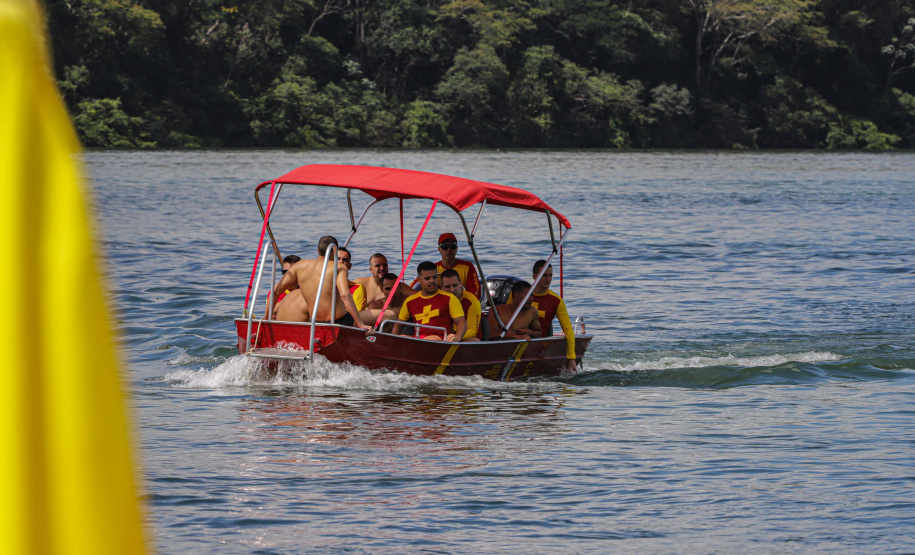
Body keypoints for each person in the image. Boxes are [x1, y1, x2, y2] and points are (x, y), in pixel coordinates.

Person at [271, 235, 372, 333]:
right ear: (335, 251)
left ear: (318, 250)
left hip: (316, 321)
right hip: (339, 321)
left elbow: (275, 292)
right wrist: (360, 324)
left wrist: (266, 319)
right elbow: (345, 295)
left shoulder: (300, 265)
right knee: (383, 316)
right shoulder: (338, 267)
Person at [393, 261, 466, 341]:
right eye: (427, 278)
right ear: (419, 280)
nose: (432, 281)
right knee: (403, 338)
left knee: (432, 339)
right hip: (417, 340)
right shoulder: (410, 301)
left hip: (440, 340)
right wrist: (392, 341)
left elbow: (461, 322)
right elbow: (398, 324)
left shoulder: (450, 298)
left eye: (434, 277)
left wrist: (457, 337)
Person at [531, 260, 577, 372]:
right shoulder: (521, 294)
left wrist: (571, 358)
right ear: (534, 276)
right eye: (544, 275)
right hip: (519, 341)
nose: (548, 279)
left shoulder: (556, 301)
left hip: (540, 346)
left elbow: (568, 330)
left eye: (550, 275)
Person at [409, 233, 481, 298]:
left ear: (456, 249)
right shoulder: (433, 268)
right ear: (439, 249)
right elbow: (412, 288)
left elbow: (475, 293)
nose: (448, 250)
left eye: (452, 246)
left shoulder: (467, 267)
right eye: (444, 247)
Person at [440, 269, 481, 341]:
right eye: (448, 287)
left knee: (474, 341)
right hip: (442, 336)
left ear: (460, 283)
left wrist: (455, 336)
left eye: (455, 285)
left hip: (462, 337)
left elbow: (473, 331)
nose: (452, 290)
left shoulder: (472, 301)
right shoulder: (438, 298)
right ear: (442, 287)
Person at [338, 247, 367, 311]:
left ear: (350, 266)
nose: (341, 261)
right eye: (337, 259)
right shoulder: (322, 286)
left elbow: (357, 314)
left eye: (345, 260)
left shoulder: (357, 288)